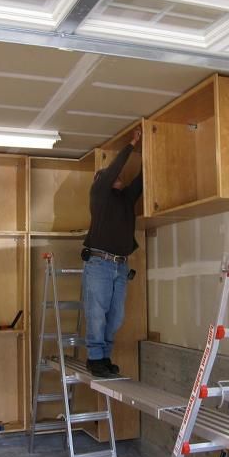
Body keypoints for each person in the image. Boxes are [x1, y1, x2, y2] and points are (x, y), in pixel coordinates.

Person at [82, 128, 143, 378]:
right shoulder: (99, 195)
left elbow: (141, 181)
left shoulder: (124, 198)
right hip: (100, 263)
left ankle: (104, 356)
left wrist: (151, 151)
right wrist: (131, 145)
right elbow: (113, 170)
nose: (116, 177)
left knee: (115, 317)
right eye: (108, 176)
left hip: (119, 266)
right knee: (97, 313)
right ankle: (95, 358)